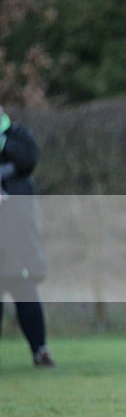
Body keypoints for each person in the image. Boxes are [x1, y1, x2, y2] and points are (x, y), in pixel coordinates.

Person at [0, 105, 54, 367]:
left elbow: (28, 159)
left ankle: (39, 349)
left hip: (16, 233)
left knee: (25, 291)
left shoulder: (17, 136)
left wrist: (3, 141)